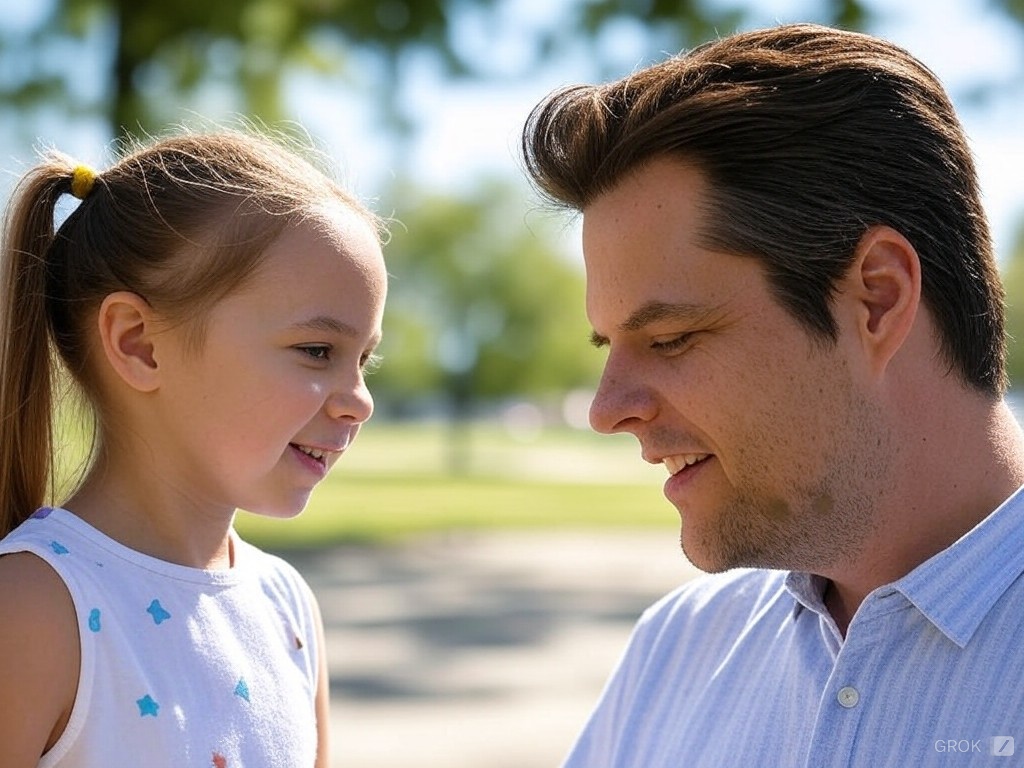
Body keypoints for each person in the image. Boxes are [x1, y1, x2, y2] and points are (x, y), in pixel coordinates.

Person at [522, 22, 1024, 767]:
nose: (606, 410)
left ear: (878, 300)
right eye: (609, 347)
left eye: (670, 340)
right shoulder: (678, 652)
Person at [0, 129, 387, 767]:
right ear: (138, 344)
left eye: (364, 359)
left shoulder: (286, 605)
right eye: (318, 351)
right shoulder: (35, 611)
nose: (360, 399)